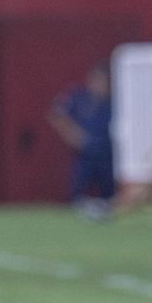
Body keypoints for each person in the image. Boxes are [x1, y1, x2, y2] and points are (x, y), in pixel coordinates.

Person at [50, 62, 115, 220]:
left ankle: (103, 213)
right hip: (85, 154)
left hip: (108, 153)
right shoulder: (80, 98)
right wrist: (73, 135)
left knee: (110, 193)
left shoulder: (115, 101)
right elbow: (57, 114)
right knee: (77, 192)